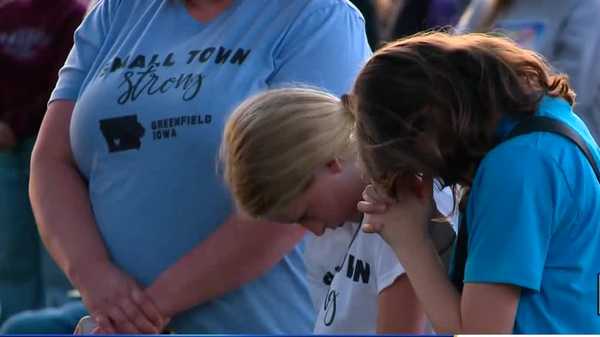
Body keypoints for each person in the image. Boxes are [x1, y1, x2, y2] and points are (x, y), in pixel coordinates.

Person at [28, 0, 371, 334]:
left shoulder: (317, 16)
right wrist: (94, 274)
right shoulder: (114, 11)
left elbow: (299, 183)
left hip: (263, 320)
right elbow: (52, 161)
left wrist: (148, 308)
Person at [351, 32, 600, 333]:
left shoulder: (516, 167)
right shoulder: (550, 121)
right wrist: (432, 229)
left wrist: (409, 241)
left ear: (425, 122)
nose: (432, 173)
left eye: (414, 163)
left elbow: (479, 331)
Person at [220, 87, 457, 334]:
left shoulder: (401, 208)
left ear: (330, 163)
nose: (316, 230)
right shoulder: (330, 237)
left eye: (306, 214)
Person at [0, 0, 86, 325]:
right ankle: (15, 323)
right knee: (10, 256)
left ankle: (54, 324)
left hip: (50, 145)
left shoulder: (72, 15)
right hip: (6, 152)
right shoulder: (6, 16)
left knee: (57, 257)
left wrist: (17, 124)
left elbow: (62, 87)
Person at [456, 0, 600, 142]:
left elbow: (573, 91)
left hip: (553, 147)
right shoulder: (485, 6)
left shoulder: (587, 7)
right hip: (483, 144)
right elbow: (452, 71)